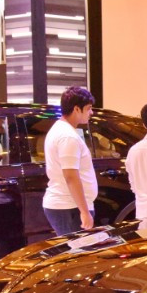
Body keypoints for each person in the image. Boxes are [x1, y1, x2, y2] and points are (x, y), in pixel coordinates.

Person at [42, 86, 97, 236]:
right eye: (89, 108)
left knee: (76, 248)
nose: (91, 112)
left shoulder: (61, 130)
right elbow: (71, 176)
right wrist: (84, 211)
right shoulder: (67, 136)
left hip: (68, 205)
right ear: (76, 109)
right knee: (78, 249)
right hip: (69, 206)